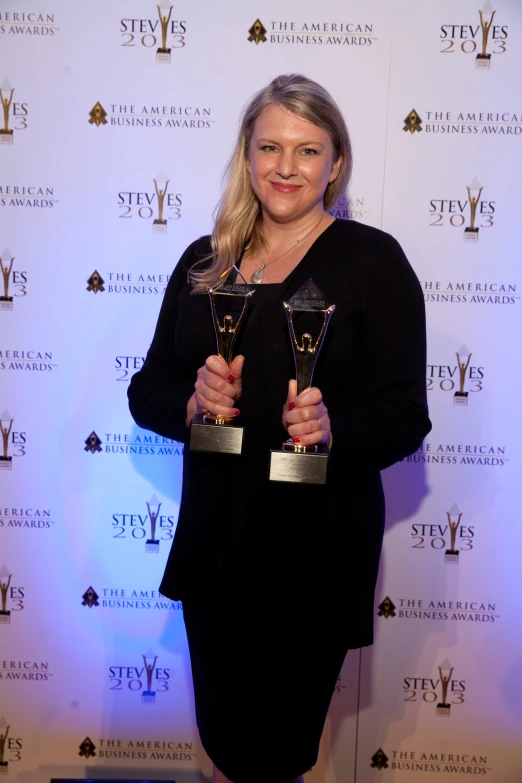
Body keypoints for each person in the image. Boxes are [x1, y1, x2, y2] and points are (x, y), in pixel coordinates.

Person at [128, 73, 431, 783]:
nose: (286, 167)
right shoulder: (206, 262)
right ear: (247, 154)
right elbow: (147, 390)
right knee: (222, 745)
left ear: (336, 162)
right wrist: (193, 402)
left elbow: (404, 415)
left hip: (314, 554)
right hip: (215, 549)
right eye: (270, 146)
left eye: (306, 149)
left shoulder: (374, 263)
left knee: (278, 752)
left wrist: (331, 428)